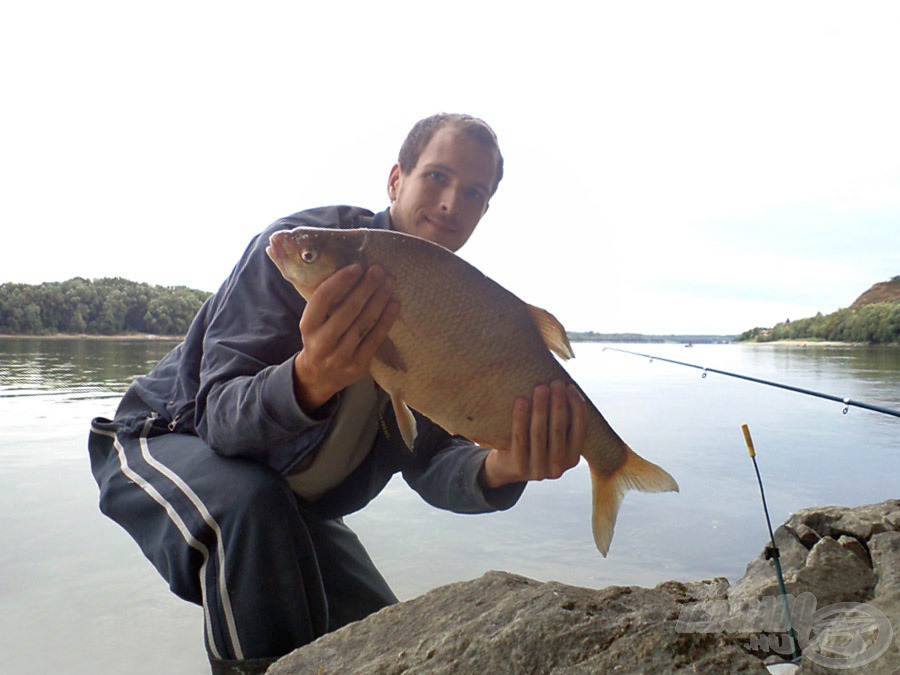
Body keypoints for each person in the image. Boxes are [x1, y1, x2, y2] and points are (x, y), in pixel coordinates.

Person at [88, 113, 587, 674]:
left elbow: (433, 459)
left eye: (473, 191)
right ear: (396, 179)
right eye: (436, 177)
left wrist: (503, 466)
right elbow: (219, 417)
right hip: (159, 439)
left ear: (485, 209)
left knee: (389, 642)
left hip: (294, 507)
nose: (451, 202)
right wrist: (310, 377)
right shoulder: (305, 249)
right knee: (247, 509)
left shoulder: (456, 306)